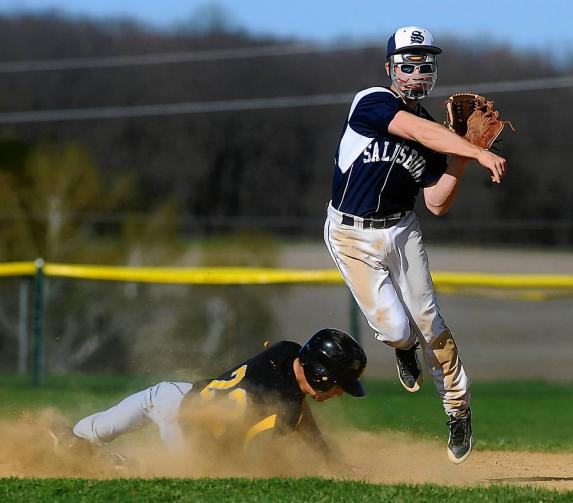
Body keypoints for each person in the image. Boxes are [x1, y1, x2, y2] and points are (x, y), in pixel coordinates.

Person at [323, 26, 507, 464]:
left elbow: (437, 203)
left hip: (402, 230)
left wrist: (463, 156)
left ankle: (457, 409)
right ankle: (403, 350)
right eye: (409, 61)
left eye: (426, 62)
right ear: (390, 68)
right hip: (350, 233)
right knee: (397, 330)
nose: (418, 69)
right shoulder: (371, 102)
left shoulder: (436, 134)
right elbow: (415, 132)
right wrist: (475, 151)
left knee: (432, 325)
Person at [50, 328, 367, 466]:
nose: (339, 392)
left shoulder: (286, 349)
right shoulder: (286, 412)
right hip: (187, 442)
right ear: (320, 376)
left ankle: (65, 441)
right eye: (339, 384)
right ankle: (111, 465)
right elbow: (250, 455)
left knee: (87, 433)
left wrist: (326, 455)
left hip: (171, 398)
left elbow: (296, 405)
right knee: (151, 473)